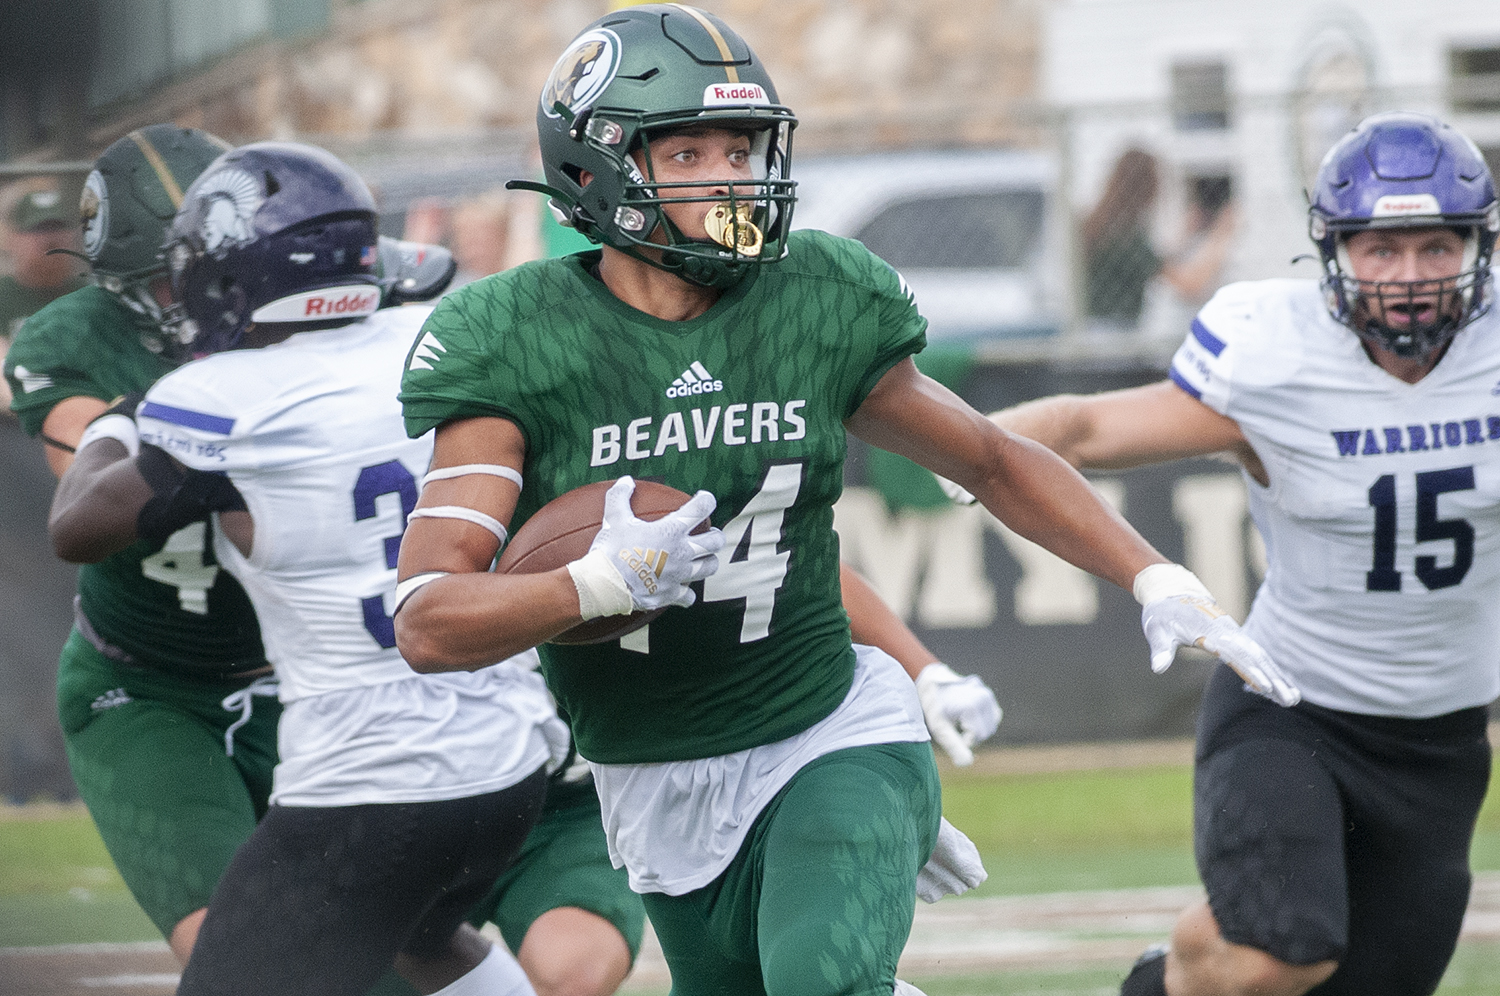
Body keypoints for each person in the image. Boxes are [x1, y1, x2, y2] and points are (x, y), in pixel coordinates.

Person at [392, 8, 1294, 996]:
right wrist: (592, 585)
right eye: (687, 153)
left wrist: (1152, 574)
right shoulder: (516, 336)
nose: (730, 178)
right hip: (651, 776)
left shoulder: (814, 297)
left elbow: (993, 460)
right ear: (592, 169)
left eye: (741, 148)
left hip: (829, 728)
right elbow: (429, 620)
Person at [983, 112, 1499, 996]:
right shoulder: (1277, 355)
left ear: (1475, 248)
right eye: (1381, 248)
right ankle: (1167, 980)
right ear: (1335, 251)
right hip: (1292, 710)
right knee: (1275, 952)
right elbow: (1084, 425)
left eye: (1434, 246)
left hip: (1441, 740)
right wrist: (961, 450)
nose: (1410, 275)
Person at [51, 140, 572, 996]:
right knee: (429, 944)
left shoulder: (222, 400)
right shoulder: (439, 333)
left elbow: (76, 526)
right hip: (510, 762)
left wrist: (121, 416)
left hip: (372, 785)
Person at [4, 125, 276, 966]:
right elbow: (93, 498)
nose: (199, 290)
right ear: (119, 281)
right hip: (146, 681)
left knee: (383, 951)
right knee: (240, 955)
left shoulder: (297, 315)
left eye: (218, 263)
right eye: (172, 273)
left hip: (307, 679)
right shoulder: (69, 336)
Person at [1082, 147, 1237, 333]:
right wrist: (1221, 234)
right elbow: (1190, 286)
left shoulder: (1103, 226)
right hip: (1116, 333)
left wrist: (1186, 236)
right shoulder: (1128, 237)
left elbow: (1155, 263)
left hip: (1092, 328)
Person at [0, 182, 87, 412]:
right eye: (37, 229)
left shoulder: (91, 297)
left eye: (57, 228)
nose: (50, 239)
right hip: (18, 419)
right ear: (12, 239)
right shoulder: (3, 296)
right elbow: (4, 386)